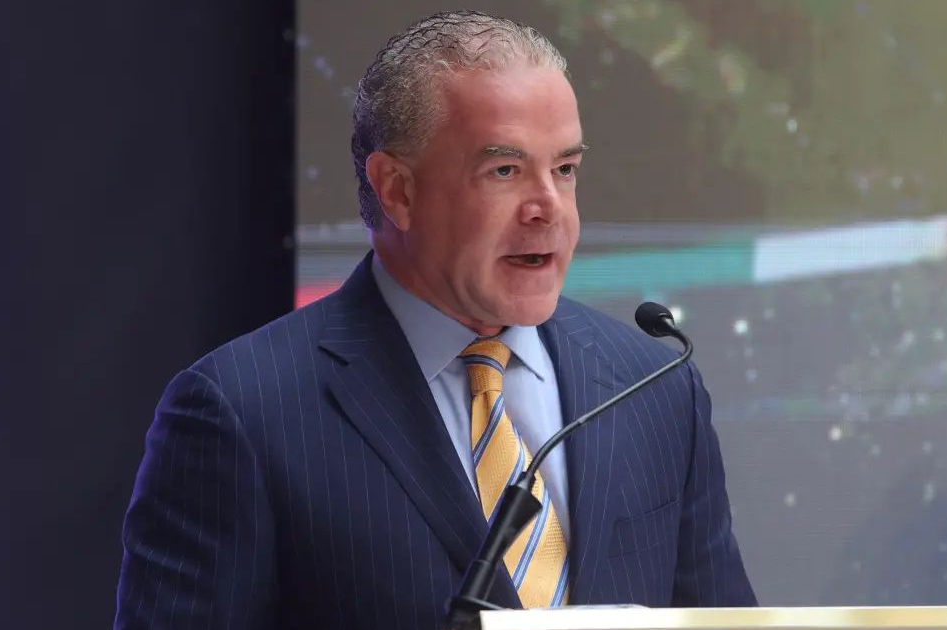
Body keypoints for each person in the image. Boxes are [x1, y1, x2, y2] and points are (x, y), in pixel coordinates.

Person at [114, 10, 754, 629]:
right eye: (505, 170)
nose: (549, 207)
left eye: (565, 170)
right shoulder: (241, 412)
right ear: (398, 190)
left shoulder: (652, 388)